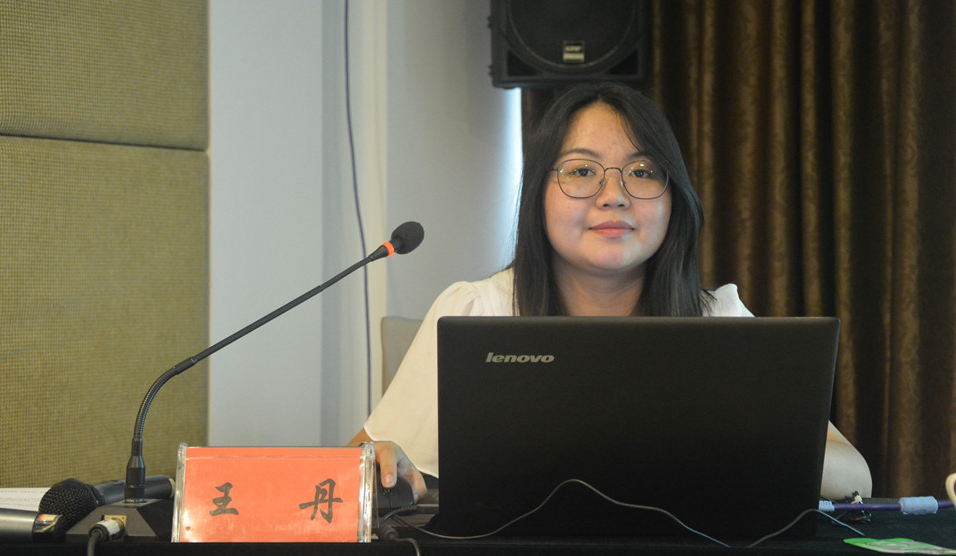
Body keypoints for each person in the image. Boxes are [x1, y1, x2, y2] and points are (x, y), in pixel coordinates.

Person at [350, 82, 872, 502]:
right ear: (538, 194)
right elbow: (356, 471)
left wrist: (734, 438)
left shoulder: (719, 320)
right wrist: (381, 463)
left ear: (673, 198)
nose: (614, 196)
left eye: (642, 172)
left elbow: (855, 478)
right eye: (582, 171)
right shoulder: (476, 311)